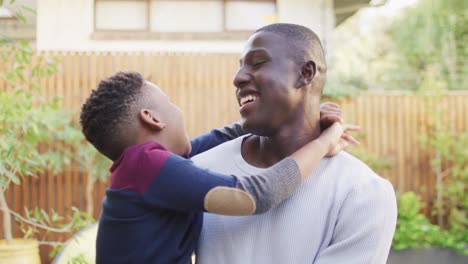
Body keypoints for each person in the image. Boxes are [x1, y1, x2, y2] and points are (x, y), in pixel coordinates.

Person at [79, 71, 358, 263]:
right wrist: (324, 141)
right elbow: (253, 196)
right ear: (152, 118)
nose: (178, 110)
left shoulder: (148, 169)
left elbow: (220, 138)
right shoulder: (145, 164)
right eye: (171, 103)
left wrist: (303, 118)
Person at [192, 23, 397, 264]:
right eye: (240, 67)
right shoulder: (198, 172)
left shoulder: (362, 193)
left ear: (306, 73)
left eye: (257, 63)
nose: (238, 79)